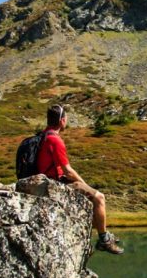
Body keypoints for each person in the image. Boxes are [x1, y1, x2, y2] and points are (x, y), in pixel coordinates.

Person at [36, 104, 125, 254]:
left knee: (89, 207)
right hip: (53, 184)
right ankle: (104, 240)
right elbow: (68, 171)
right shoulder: (55, 140)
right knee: (99, 198)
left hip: (43, 181)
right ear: (62, 120)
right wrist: (86, 186)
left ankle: (104, 234)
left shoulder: (41, 136)